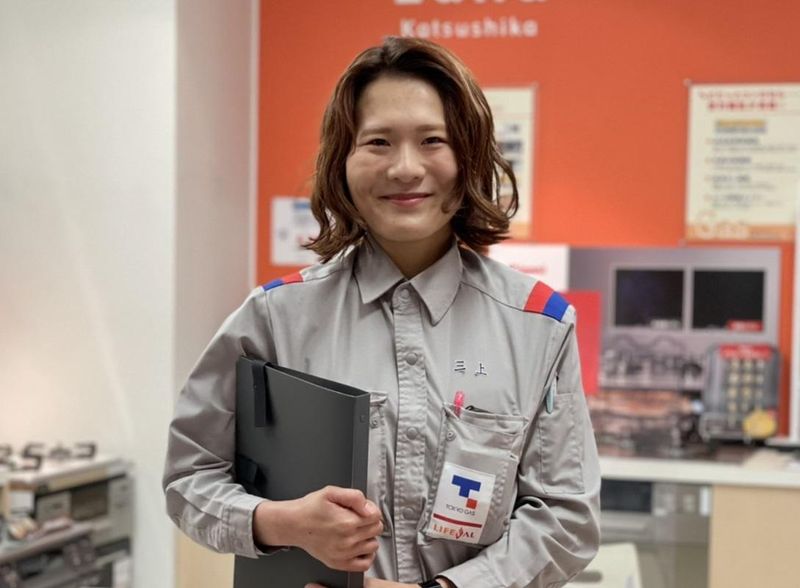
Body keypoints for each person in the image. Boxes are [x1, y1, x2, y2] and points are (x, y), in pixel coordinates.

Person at [163, 36, 600, 588]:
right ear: (342, 162)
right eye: (378, 142)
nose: (405, 168)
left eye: (433, 140)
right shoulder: (275, 318)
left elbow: (567, 519)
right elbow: (188, 479)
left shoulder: (537, 325)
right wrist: (282, 523)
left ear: (468, 156)